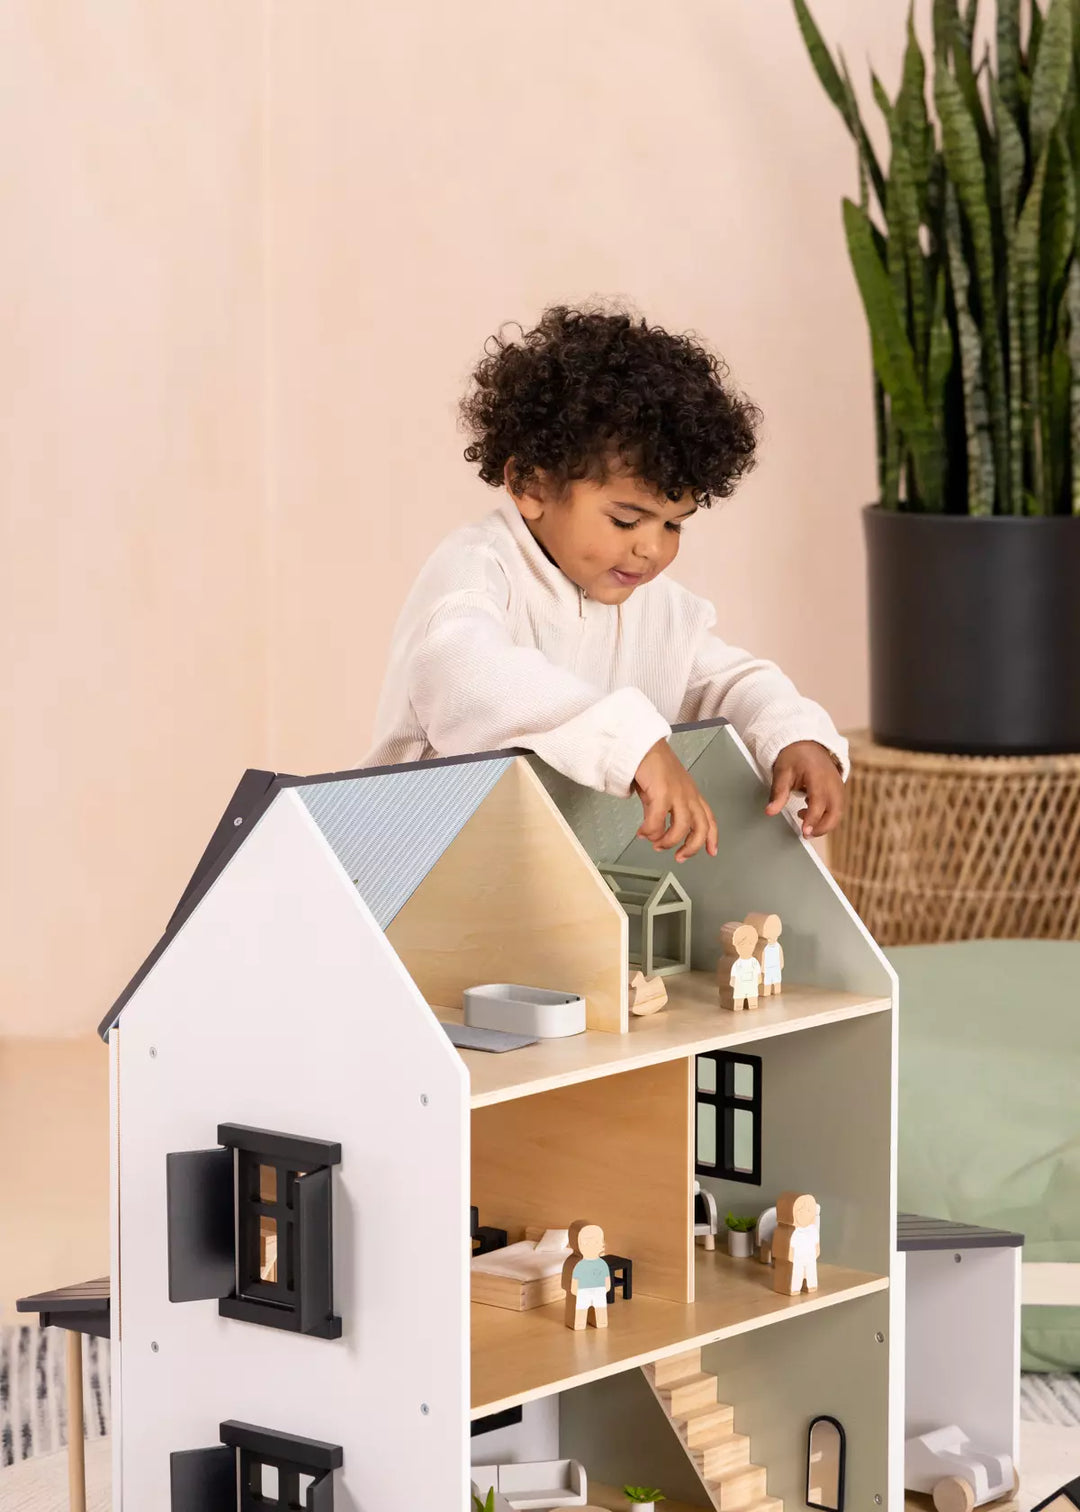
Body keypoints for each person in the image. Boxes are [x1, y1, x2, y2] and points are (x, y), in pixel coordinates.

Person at [364, 306, 847, 861]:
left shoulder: (655, 607)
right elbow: (467, 674)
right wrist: (633, 742)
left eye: (673, 525)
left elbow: (728, 682)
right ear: (531, 484)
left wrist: (793, 735)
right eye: (625, 520)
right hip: (410, 861)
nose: (652, 549)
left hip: (545, 873)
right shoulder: (476, 573)